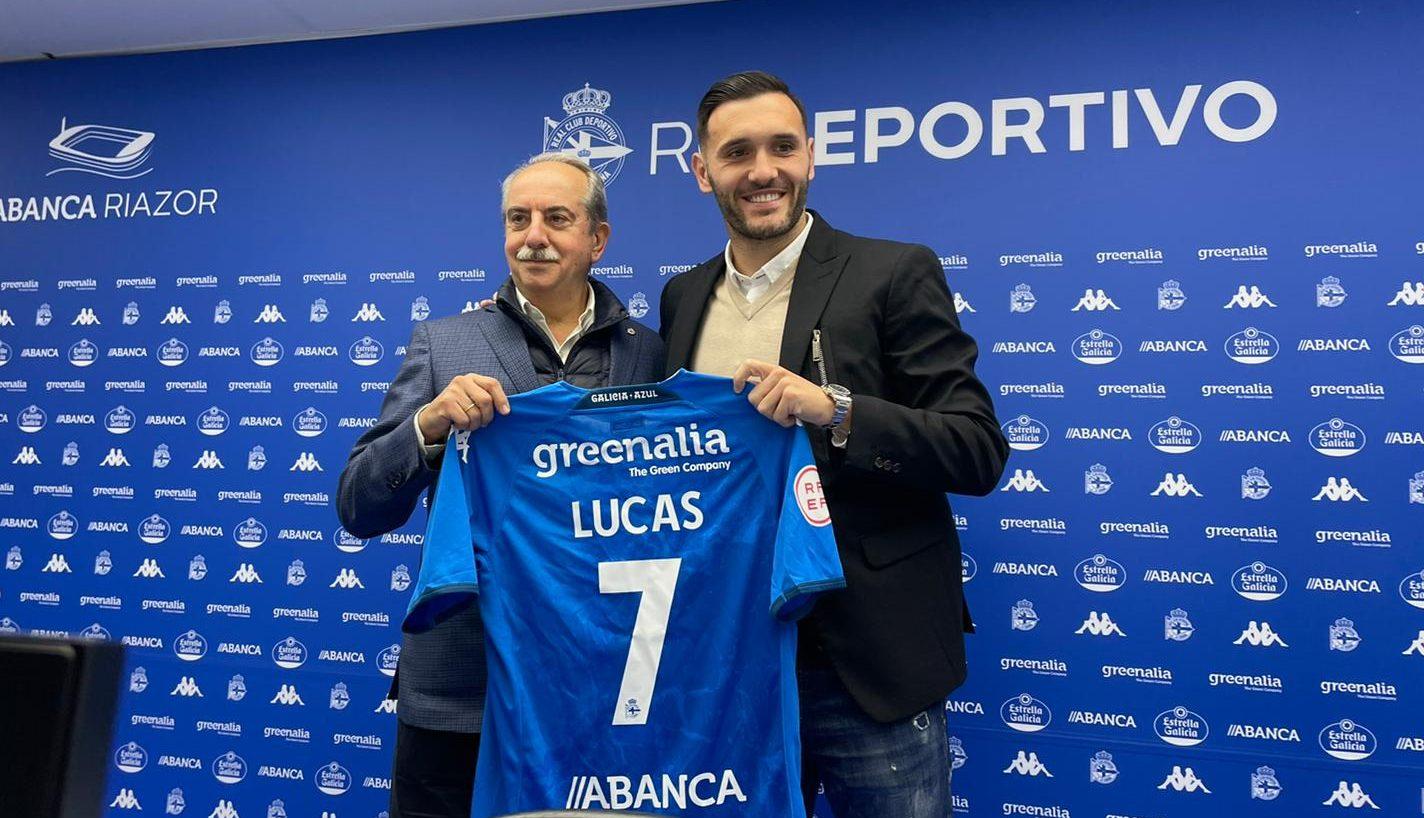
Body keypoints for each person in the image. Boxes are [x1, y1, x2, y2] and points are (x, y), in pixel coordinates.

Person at [659, 71, 1008, 816]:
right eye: (737, 152)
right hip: (727, 653)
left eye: (783, 147)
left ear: (811, 157)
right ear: (702, 171)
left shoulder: (893, 271)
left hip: (865, 659)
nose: (763, 171)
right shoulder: (682, 296)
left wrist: (837, 411)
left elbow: (976, 448)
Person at [337, 153, 665, 818]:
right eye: (518, 219)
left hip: (602, 686)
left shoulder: (651, 357)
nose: (533, 235)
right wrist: (426, 426)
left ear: (597, 239)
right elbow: (358, 506)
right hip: (462, 692)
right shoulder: (443, 342)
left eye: (556, 218)